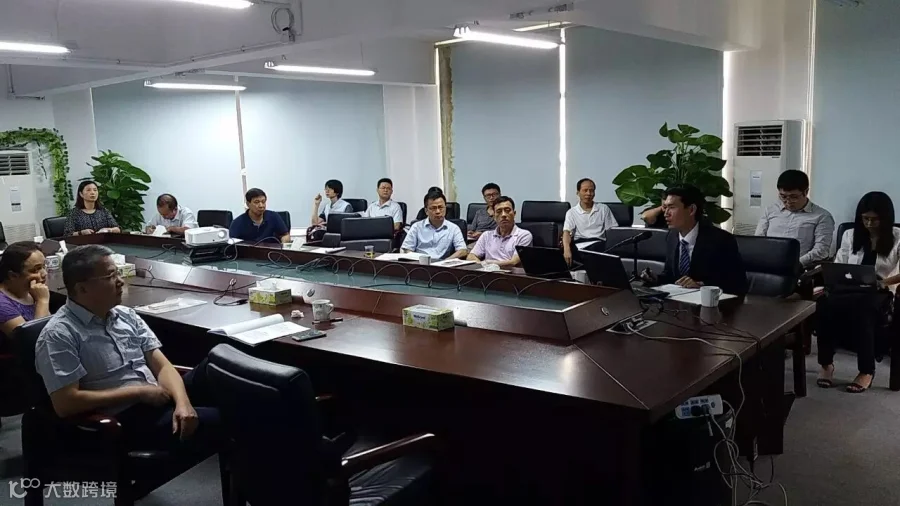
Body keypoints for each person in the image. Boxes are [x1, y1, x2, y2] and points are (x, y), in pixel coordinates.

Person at [34, 245, 221, 449]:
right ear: (82, 288)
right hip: (127, 417)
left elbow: (162, 366)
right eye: (110, 276)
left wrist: (183, 404)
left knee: (218, 366)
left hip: (157, 395)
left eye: (118, 273)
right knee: (228, 417)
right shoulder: (59, 334)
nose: (120, 281)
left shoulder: (125, 315)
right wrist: (138, 392)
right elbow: (65, 403)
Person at [816, 192, 900, 393]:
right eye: (865, 219)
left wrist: (883, 283)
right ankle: (826, 364)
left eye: (874, 219)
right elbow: (840, 264)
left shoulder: (898, 237)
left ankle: (866, 370)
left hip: (881, 291)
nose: (869, 224)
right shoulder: (850, 235)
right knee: (823, 304)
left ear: (886, 218)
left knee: (864, 309)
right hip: (850, 287)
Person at [642, 186, 748, 296]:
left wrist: (702, 285)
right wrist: (656, 278)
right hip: (679, 302)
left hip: (710, 303)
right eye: (665, 208)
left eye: (672, 207)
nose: (666, 213)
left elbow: (738, 283)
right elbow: (671, 276)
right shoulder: (672, 237)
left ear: (691, 209)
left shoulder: (721, 240)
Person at [755, 170, 834, 268]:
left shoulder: (822, 216)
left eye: (794, 197)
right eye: (783, 196)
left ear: (806, 192)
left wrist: (796, 264)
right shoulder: (770, 211)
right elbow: (758, 240)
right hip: (767, 264)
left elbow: (821, 250)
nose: (788, 201)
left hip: (800, 267)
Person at [562, 178, 619, 265]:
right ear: (578, 193)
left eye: (591, 191)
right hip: (580, 245)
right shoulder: (571, 212)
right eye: (585, 190)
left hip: (599, 245)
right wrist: (566, 250)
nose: (588, 193)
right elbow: (566, 232)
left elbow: (612, 231)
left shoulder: (603, 209)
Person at [0, 241, 50, 338]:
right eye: (36, 270)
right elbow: (34, 340)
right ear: (12, 275)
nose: (44, 273)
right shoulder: (2, 304)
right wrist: (42, 301)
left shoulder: (32, 291)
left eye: (44, 266)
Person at [467, 196, 532, 267]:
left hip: (511, 273)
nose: (503, 215)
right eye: (499, 211)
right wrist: (484, 266)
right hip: (487, 272)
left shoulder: (524, 235)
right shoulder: (486, 235)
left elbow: (514, 262)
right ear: (494, 217)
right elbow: (471, 256)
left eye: (507, 210)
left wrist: (487, 263)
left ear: (514, 214)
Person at [402, 190, 467, 260]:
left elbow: (462, 250)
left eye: (441, 207)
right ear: (426, 211)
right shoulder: (416, 227)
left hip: (443, 264)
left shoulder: (453, 228)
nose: (438, 211)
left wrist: (447, 261)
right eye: (433, 208)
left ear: (445, 208)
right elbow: (406, 249)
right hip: (420, 263)